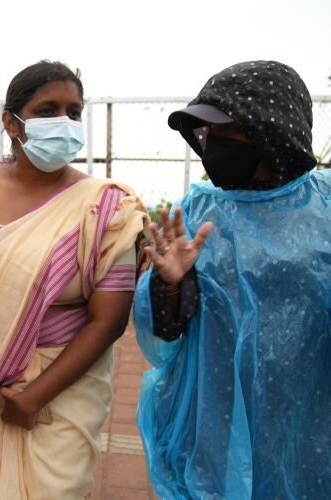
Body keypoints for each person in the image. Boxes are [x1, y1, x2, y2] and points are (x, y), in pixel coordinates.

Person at [0, 60, 150, 498]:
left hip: (60, 398)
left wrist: (34, 396)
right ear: (11, 123)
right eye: (47, 110)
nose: (64, 122)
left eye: (74, 112)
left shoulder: (107, 208)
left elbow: (109, 321)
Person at [135, 61, 331, 499]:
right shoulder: (200, 212)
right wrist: (171, 284)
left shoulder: (326, 207)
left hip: (306, 412)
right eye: (208, 134)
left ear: (271, 130)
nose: (212, 145)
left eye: (226, 132)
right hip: (217, 411)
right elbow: (167, 332)